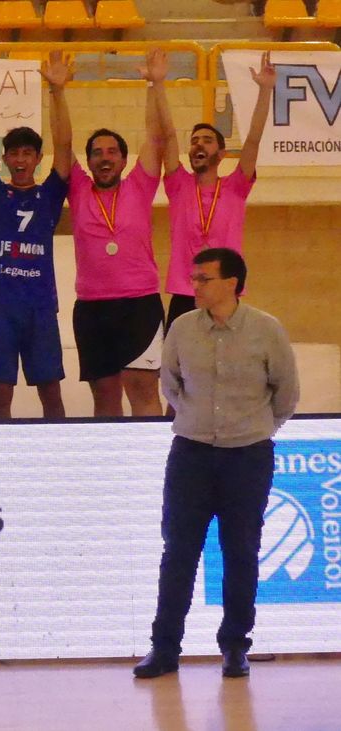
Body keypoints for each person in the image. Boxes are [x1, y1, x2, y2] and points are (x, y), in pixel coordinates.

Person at [134, 247, 298, 680]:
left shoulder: (267, 330)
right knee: (179, 552)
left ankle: (235, 648)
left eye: (205, 278)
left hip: (248, 456)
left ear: (232, 283)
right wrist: (196, 421)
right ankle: (164, 648)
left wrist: (255, 429)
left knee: (241, 551)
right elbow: (170, 384)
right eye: (195, 277)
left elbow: (286, 395)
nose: (196, 285)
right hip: (191, 455)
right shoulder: (183, 329)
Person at [0, 50, 73, 420]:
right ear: (5, 158)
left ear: (38, 157)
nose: (21, 160)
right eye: (15, 154)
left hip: (40, 305)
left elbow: (66, 147)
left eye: (29, 153)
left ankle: (58, 464)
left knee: (51, 393)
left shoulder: (51, 192)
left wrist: (57, 92)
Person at [66, 48, 169, 418]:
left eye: (112, 152)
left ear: (125, 160)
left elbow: (156, 137)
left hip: (138, 304)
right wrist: (57, 92)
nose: (105, 157)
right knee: (105, 398)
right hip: (92, 307)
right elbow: (62, 144)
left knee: (143, 391)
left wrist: (154, 85)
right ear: (89, 160)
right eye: (97, 153)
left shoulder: (140, 184)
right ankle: (111, 473)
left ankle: (152, 470)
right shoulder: (78, 189)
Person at [160, 54, 273, 332]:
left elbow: (254, 140)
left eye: (207, 141)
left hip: (224, 292)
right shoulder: (178, 185)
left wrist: (266, 90)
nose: (199, 144)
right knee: (180, 372)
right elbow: (169, 136)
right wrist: (158, 83)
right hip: (185, 294)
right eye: (195, 141)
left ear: (221, 154)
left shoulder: (235, 187)